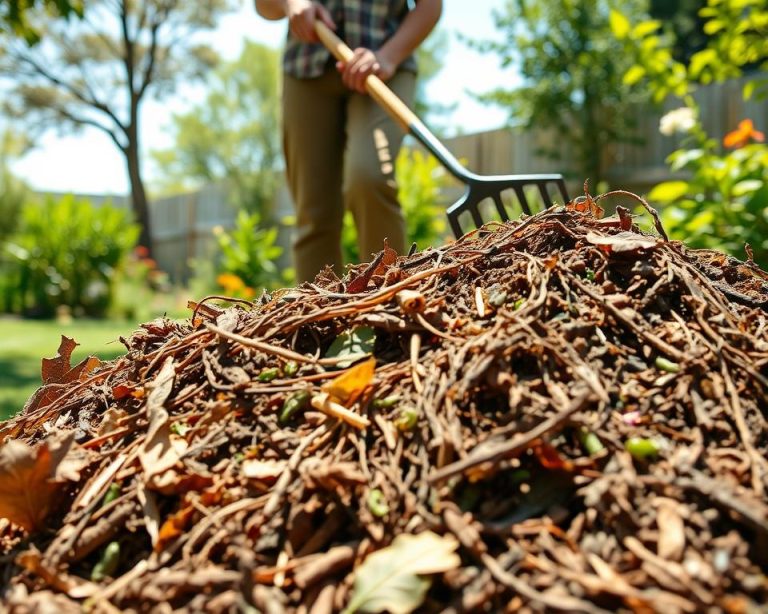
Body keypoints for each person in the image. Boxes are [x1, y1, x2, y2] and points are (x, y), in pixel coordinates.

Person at [255, 0, 442, 282]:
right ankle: (317, 320)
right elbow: (263, 6)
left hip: (383, 64)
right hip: (306, 67)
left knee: (369, 177)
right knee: (313, 209)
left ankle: (390, 310)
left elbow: (430, 5)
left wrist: (389, 55)